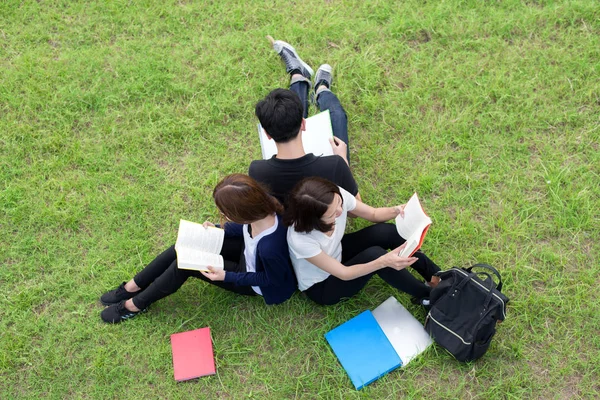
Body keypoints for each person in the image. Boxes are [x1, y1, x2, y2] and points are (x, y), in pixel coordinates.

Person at [99, 174, 296, 323]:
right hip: (247, 253)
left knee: (184, 265)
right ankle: (132, 286)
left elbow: (272, 279)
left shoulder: (270, 247)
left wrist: (226, 276)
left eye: (226, 214)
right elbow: (245, 228)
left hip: (253, 280)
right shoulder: (263, 207)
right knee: (183, 245)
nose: (223, 216)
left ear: (244, 213)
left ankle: (135, 305)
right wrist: (219, 229)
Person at [283, 177, 441, 306]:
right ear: (315, 221)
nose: (341, 210)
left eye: (339, 204)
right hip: (323, 285)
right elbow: (343, 273)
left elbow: (372, 214)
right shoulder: (300, 239)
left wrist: (397, 210)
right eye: (332, 214)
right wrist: (383, 262)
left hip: (337, 251)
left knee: (386, 231)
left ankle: (436, 276)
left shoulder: (333, 197)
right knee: (375, 256)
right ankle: (432, 295)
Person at [249, 36, 361, 205]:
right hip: (325, 217)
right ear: (303, 124)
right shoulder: (335, 165)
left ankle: (298, 75)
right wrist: (343, 160)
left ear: (267, 134)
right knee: (337, 116)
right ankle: (322, 89)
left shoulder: (257, 171)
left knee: (290, 110)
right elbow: (355, 208)